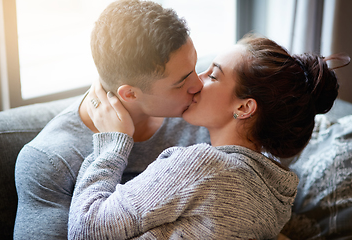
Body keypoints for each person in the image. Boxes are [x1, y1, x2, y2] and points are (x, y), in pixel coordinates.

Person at [68, 34, 350, 240]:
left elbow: (86, 230)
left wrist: (112, 143)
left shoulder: (203, 166)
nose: (196, 81)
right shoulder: (277, 193)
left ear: (243, 108)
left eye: (213, 75)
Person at [14, 1, 210, 239]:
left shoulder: (200, 109)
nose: (200, 85)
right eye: (181, 82)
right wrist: (113, 146)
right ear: (130, 93)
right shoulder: (50, 160)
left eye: (194, 65)